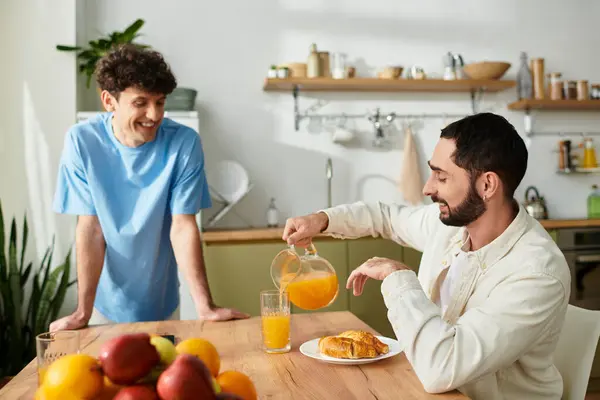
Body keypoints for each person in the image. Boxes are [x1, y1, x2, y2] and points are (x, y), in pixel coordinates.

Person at [282, 113, 570, 400]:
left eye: (441, 176)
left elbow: (441, 367)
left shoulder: (536, 272)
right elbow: (386, 217)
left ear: (487, 185)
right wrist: (321, 219)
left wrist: (398, 279)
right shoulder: (450, 226)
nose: (427, 188)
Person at [49, 44, 248, 331]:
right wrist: (82, 312)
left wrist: (205, 306)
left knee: (165, 371)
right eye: (140, 103)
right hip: (104, 307)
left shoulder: (183, 143)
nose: (154, 115)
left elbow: (183, 226)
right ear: (109, 101)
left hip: (163, 304)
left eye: (160, 102)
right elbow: (90, 229)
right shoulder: (82, 142)